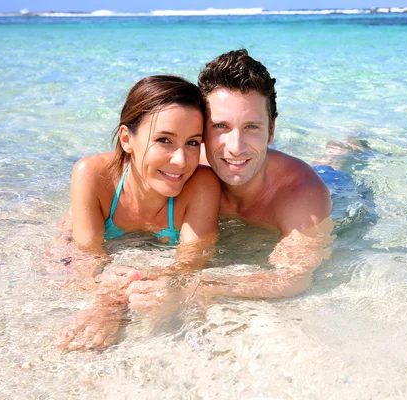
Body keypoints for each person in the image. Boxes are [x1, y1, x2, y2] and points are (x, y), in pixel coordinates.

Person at [125, 49, 333, 312]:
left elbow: (291, 279)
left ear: (272, 131)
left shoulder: (301, 196)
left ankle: (340, 152)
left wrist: (189, 289)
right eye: (220, 126)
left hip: (331, 183)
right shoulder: (182, 165)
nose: (235, 147)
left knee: (331, 168)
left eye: (251, 127)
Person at [54, 75, 221, 351]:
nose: (181, 160)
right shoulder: (92, 175)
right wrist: (107, 303)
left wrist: (159, 288)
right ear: (126, 139)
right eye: (164, 140)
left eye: (193, 142)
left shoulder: (201, 184)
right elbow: (88, 256)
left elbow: (192, 261)